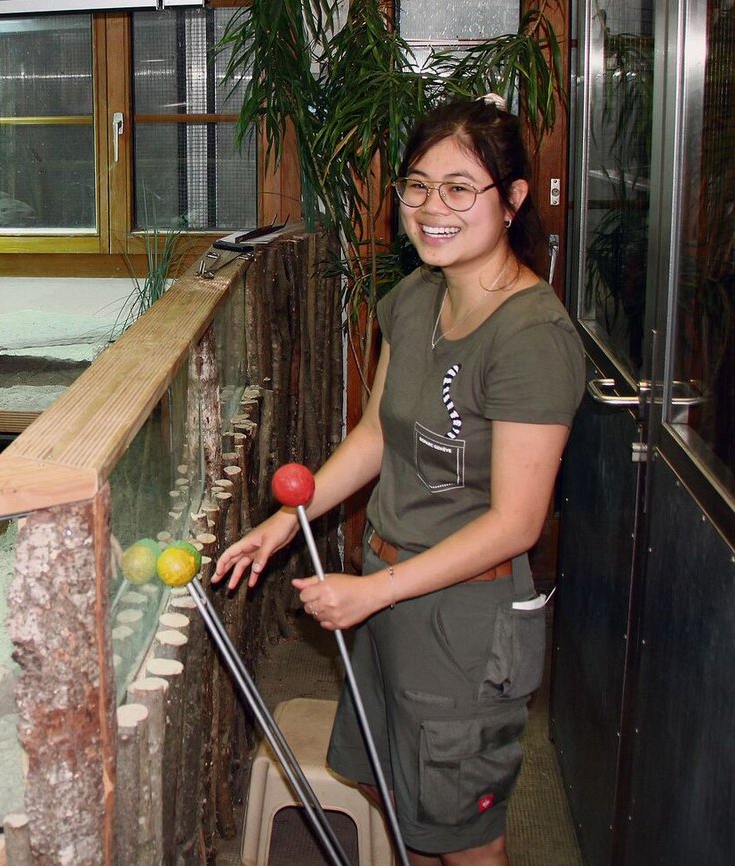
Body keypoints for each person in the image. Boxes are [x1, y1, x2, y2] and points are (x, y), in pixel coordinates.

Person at [213, 95, 585, 866]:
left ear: (513, 200)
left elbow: (518, 522)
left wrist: (375, 592)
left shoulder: (532, 337)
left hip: (463, 619)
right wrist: (292, 521)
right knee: (393, 789)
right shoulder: (417, 297)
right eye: (416, 185)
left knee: (463, 836)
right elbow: (377, 434)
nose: (431, 208)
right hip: (387, 585)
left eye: (460, 188)